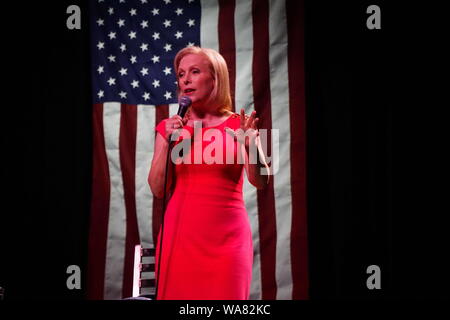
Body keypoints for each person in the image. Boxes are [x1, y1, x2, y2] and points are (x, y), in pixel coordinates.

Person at [148, 46, 270, 300]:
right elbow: (158, 189)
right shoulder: (169, 126)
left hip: (228, 242)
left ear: (216, 78)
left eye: (194, 71)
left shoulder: (242, 124)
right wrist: (167, 142)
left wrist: (252, 145)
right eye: (181, 74)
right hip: (178, 240)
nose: (185, 80)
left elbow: (260, 182)